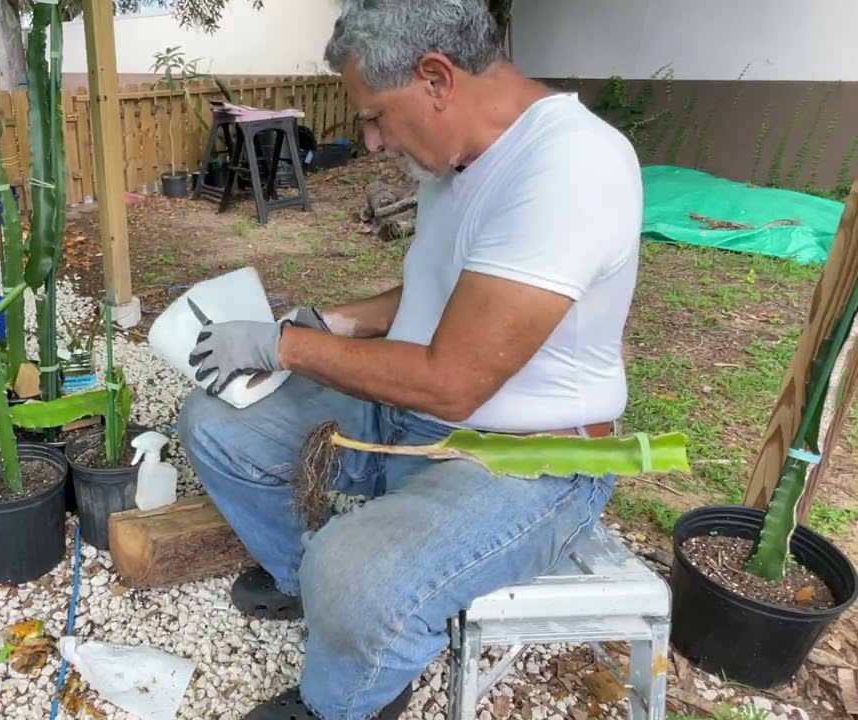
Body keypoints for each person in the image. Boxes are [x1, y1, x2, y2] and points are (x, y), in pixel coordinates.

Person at [175, 0, 644, 718]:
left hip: (526, 460)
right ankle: (315, 594)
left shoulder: (570, 166)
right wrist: (337, 320)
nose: (368, 141)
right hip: (409, 413)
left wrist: (287, 345)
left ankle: (347, 694)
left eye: (375, 116)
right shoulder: (459, 158)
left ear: (435, 79)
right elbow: (445, 290)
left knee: (356, 574)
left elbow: (453, 381)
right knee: (217, 423)